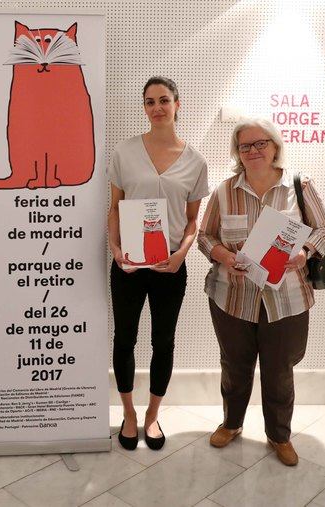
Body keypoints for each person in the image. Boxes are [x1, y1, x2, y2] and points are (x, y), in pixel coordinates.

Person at [198, 117, 325, 466]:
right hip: (232, 296)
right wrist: (224, 256)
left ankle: (279, 435)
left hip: (286, 299)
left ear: (275, 147)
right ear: (237, 152)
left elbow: (324, 229)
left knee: (279, 371)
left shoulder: (299, 185)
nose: (253, 151)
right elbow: (205, 236)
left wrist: (304, 253)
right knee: (234, 366)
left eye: (261, 143)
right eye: (245, 146)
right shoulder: (224, 191)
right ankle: (232, 424)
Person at [107, 76, 209, 451]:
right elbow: (115, 207)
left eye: (164, 100)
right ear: (145, 108)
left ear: (177, 105)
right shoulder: (125, 152)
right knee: (124, 339)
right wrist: (115, 248)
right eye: (150, 102)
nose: (157, 108)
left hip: (170, 267)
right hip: (129, 267)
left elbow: (193, 220)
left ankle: (152, 415)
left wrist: (182, 253)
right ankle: (129, 414)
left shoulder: (195, 161)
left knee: (163, 342)